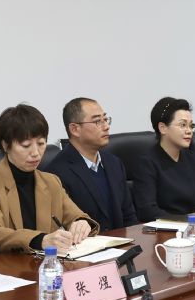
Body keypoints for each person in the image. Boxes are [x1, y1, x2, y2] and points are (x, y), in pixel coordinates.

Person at [0, 104, 98, 259]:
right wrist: (41, 240)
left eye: (41, 143)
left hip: (39, 265)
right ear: (6, 145)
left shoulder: (51, 181)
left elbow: (74, 215)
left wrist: (82, 223)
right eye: (26, 145)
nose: (36, 153)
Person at [42, 98, 138, 231]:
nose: (106, 126)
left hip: (123, 241)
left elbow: (129, 216)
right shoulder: (56, 173)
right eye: (97, 121)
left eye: (105, 119)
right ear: (75, 129)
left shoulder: (114, 163)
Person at [133, 97, 195, 221]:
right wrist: (188, 223)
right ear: (162, 128)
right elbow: (147, 210)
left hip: (193, 227)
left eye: (191, 126)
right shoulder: (147, 163)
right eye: (183, 125)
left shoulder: (191, 158)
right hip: (164, 229)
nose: (189, 131)